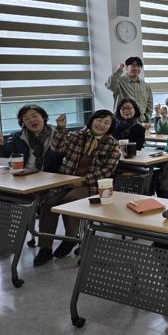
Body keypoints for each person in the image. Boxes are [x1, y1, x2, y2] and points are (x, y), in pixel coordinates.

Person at [34, 110, 121, 266]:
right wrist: (61, 128)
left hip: (92, 185)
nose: (101, 124)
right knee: (48, 203)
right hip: (66, 180)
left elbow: (107, 170)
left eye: (106, 122)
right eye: (99, 120)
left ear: (111, 126)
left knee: (71, 200)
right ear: (92, 120)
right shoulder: (77, 135)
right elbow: (58, 148)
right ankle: (45, 247)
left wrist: (83, 180)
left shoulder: (113, 144)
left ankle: (71, 237)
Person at [0, 104, 63, 172]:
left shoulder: (57, 134)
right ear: (23, 123)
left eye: (34, 116)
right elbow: (5, 155)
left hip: (51, 174)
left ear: (43, 117)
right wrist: (1, 144)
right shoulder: (18, 136)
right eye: (26, 118)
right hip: (25, 174)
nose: (32, 120)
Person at [105, 56, 153, 123]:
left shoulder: (145, 85)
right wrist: (120, 70)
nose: (136, 68)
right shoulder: (119, 82)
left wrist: (147, 118)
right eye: (133, 66)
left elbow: (149, 103)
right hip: (122, 121)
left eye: (138, 66)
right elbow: (110, 85)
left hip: (140, 121)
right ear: (126, 67)